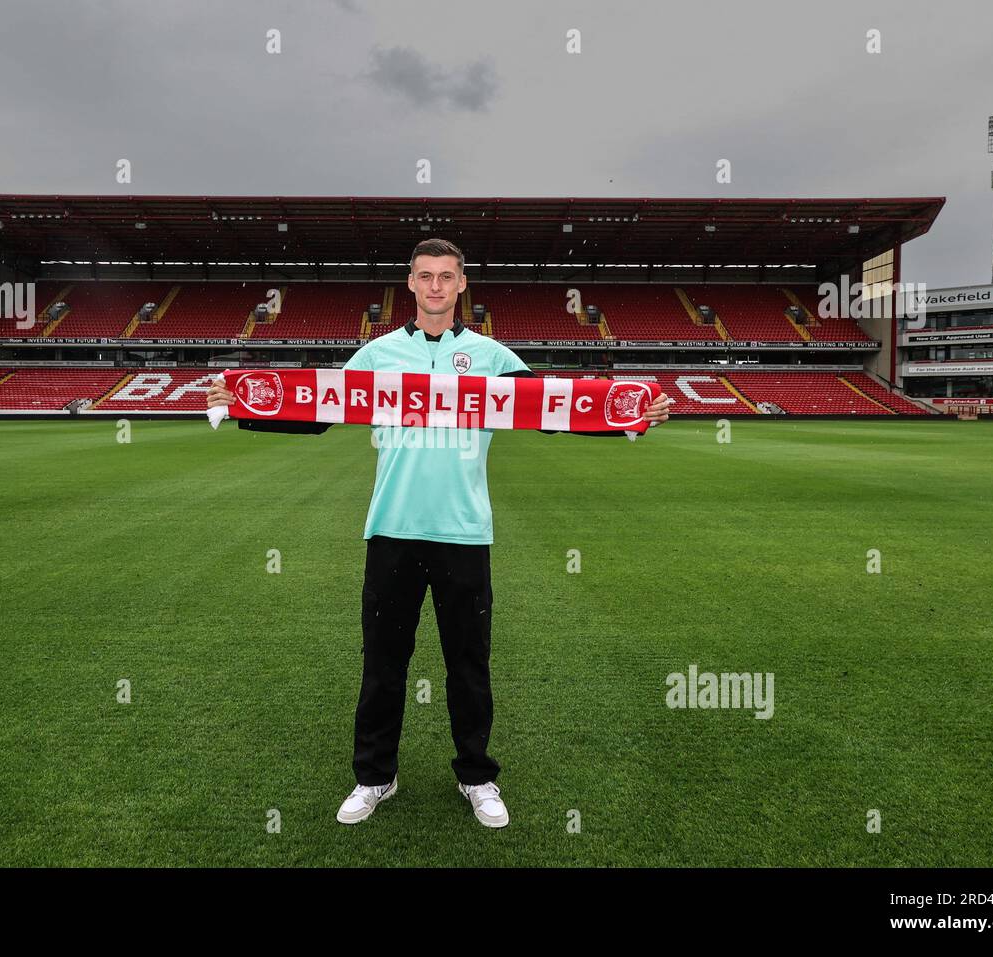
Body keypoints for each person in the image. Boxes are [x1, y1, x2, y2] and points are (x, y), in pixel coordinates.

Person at [207, 238, 672, 828]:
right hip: (392, 530)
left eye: (445, 277)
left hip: (464, 535)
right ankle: (374, 777)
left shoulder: (493, 355)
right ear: (410, 283)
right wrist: (246, 406)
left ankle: (477, 777)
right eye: (425, 276)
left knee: (469, 666)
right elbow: (318, 412)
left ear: (461, 285)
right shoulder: (377, 355)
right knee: (382, 664)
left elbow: (556, 412)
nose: (434, 287)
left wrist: (630, 417)